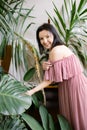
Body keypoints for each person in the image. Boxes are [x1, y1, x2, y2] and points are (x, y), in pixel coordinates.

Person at [26, 23, 87, 130]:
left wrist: (31, 91)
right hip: (74, 86)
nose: (44, 41)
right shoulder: (60, 47)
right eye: (41, 38)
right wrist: (45, 66)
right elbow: (58, 71)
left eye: (47, 37)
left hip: (73, 88)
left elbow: (49, 80)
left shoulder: (56, 51)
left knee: (78, 119)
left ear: (54, 35)